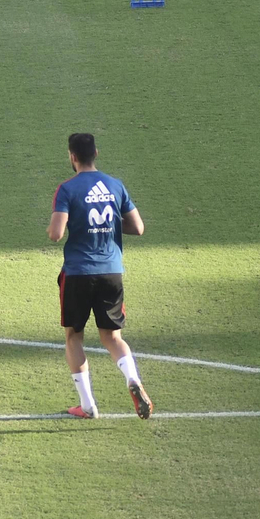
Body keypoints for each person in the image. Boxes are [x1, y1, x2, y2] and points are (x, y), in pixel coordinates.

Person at [47, 133, 152, 420]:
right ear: (96, 152)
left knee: (74, 337)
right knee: (112, 336)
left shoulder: (67, 189)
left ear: (72, 156)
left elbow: (56, 234)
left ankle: (88, 405)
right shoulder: (115, 185)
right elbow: (138, 228)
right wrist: (108, 229)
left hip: (78, 274)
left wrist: (71, 226)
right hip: (112, 272)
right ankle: (132, 378)